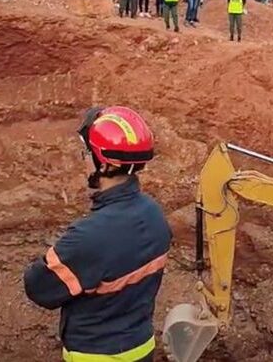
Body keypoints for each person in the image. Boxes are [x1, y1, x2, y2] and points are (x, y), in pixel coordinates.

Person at [24, 106, 172, 362]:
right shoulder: (154, 215)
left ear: (106, 163)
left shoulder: (89, 237)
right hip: (142, 349)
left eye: (86, 152)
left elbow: (38, 288)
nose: (83, 158)